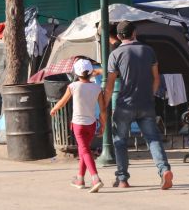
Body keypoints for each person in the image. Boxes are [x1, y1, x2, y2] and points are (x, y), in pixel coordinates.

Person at [102, 20, 173, 190]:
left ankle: (122, 179)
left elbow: (110, 84)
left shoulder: (115, 54)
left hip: (124, 104)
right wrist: (151, 95)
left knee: (120, 142)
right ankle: (164, 170)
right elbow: (156, 79)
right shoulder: (148, 51)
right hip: (146, 103)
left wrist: (104, 105)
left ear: (119, 37)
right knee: (153, 139)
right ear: (135, 33)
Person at [50, 58, 107, 193]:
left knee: (85, 151)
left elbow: (62, 102)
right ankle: (80, 179)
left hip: (78, 125)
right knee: (84, 150)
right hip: (91, 124)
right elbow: (103, 109)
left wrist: (54, 109)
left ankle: (95, 178)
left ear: (77, 73)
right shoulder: (97, 88)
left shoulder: (73, 86)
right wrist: (103, 125)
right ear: (90, 72)